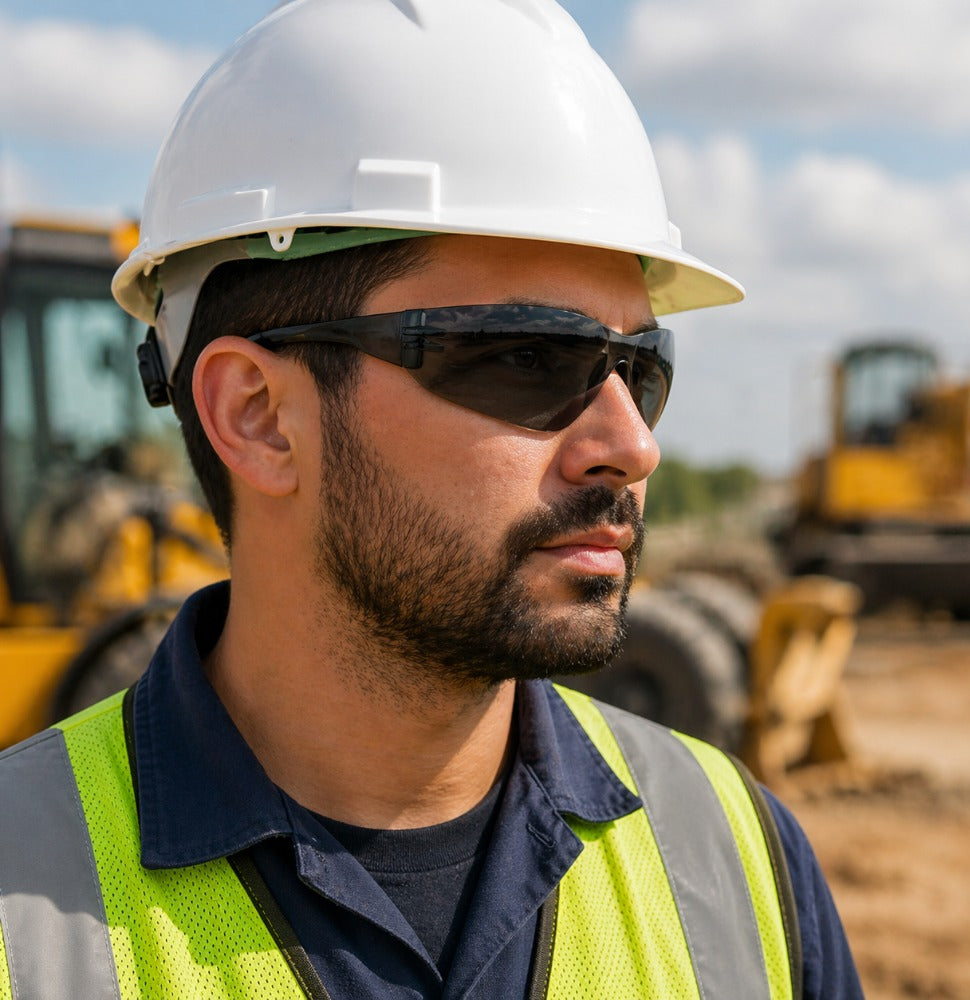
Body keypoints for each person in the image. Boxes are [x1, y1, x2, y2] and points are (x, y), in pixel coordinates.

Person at [0, 1, 864, 997]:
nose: (631, 445)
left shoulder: (738, 859)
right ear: (256, 415)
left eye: (641, 366)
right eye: (527, 358)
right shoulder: (30, 900)